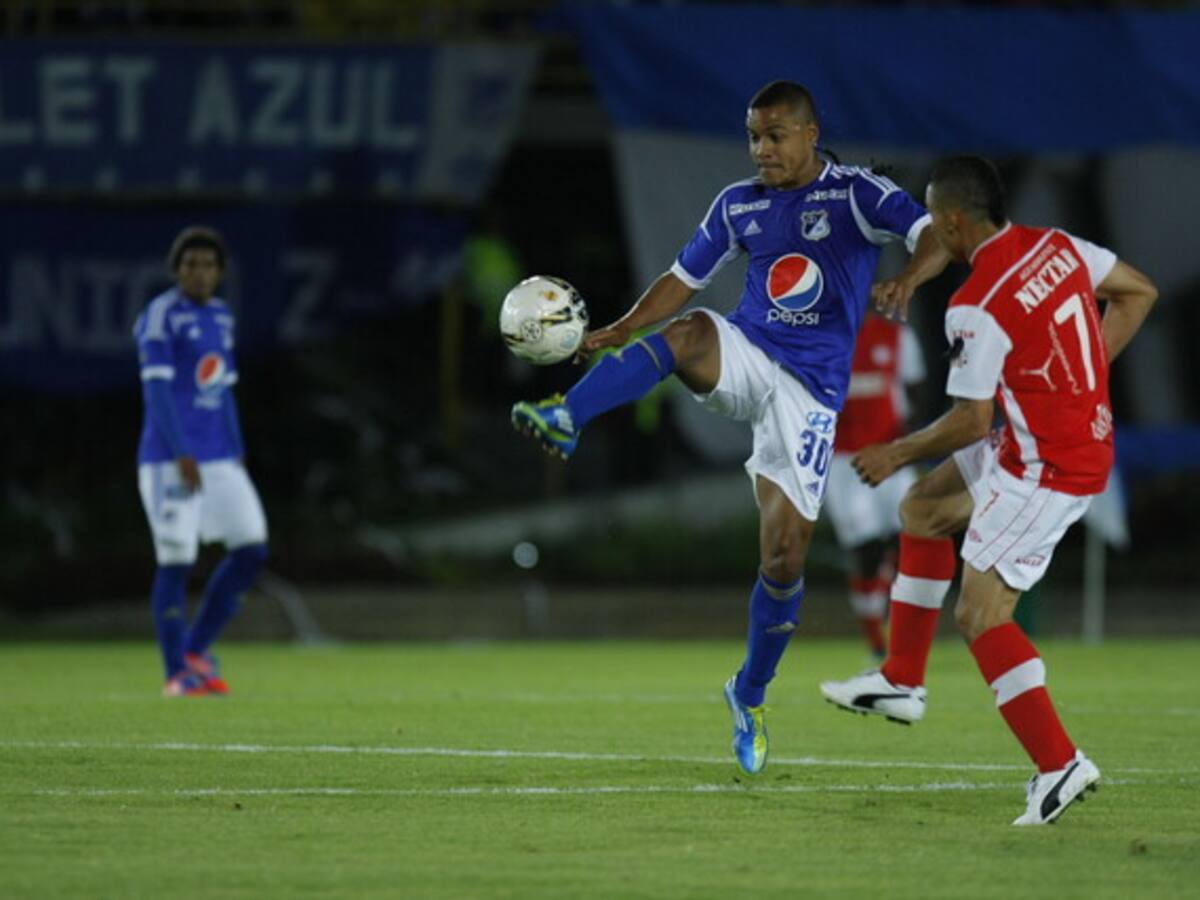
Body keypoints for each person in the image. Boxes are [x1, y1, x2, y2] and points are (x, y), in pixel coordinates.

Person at [511, 80, 951, 774]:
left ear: (810, 133)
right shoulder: (737, 203)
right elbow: (683, 277)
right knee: (689, 331)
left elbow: (933, 235)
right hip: (748, 351)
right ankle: (568, 414)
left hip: (809, 394)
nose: (761, 150)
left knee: (784, 558)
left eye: (774, 136)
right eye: (753, 136)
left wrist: (913, 279)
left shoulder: (857, 194)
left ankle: (749, 694)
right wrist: (622, 328)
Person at [819, 156, 1157, 825]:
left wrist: (896, 450)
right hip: (1049, 440)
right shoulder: (1057, 247)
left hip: (1046, 468)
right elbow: (1138, 292)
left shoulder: (975, 306)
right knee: (922, 508)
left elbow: (969, 420)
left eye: (930, 223)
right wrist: (1081, 376)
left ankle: (1059, 765)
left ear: (950, 221)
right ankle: (901, 680)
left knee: (980, 615)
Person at [133, 226, 269, 697]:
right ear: (177, 269)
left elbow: (222, 390)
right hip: (170, 459)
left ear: (220, 272)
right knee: (176, 560)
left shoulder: (220, 317)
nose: (199, 271)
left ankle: (194, 648)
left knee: (252, 547)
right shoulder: (160, 316)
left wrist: (236, 447)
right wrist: (180, 451)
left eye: (208, 264)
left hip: (219, 458)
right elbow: (157, 391)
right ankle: (176, 673)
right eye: (190, 263)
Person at [824, 309, 926, 659]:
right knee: (865, 548)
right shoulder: (825, 341)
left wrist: (907, 444)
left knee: (910, 538)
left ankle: (893, 619)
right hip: (844, 461)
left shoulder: (898, 337)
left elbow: (914, 392)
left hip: (891, 456)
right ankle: (875, 637)